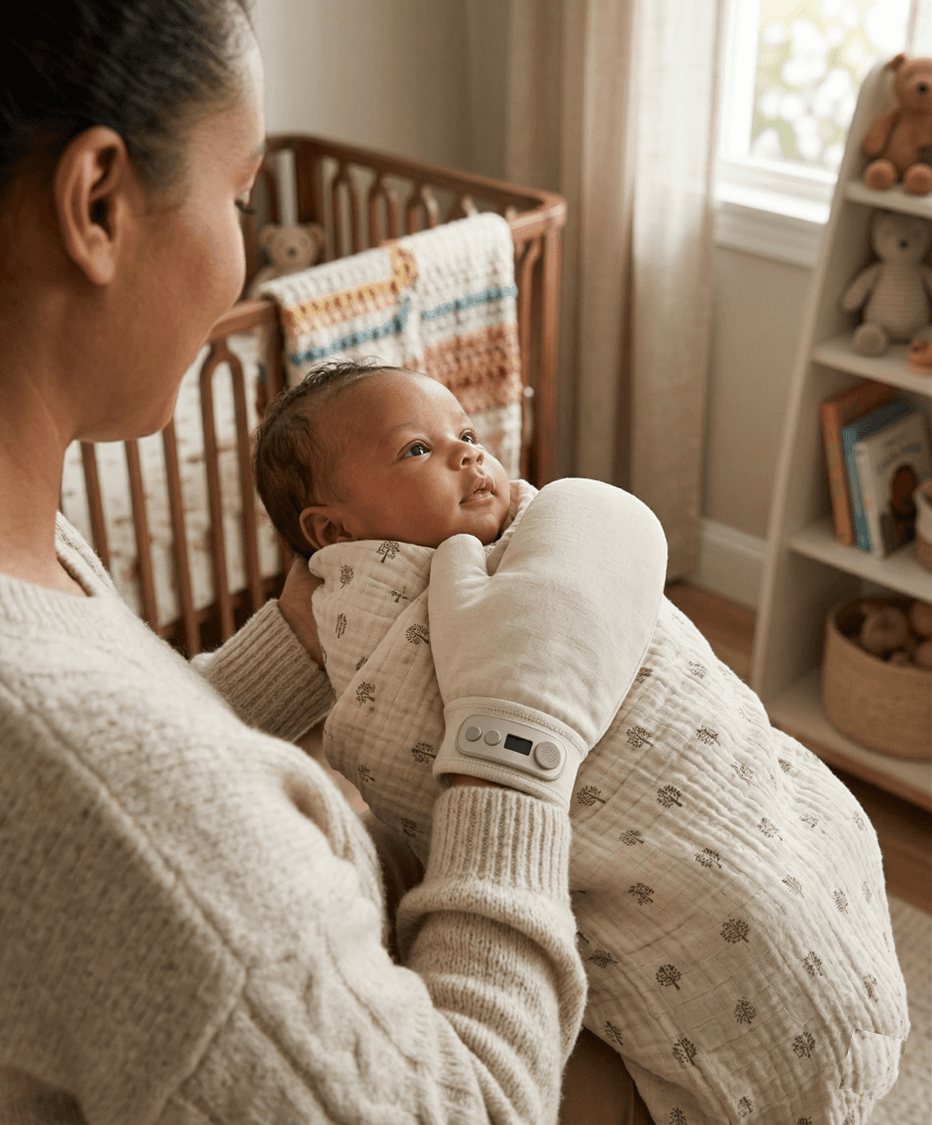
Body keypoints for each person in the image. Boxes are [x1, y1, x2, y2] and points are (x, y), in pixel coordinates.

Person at [0, 4, 670, 1123]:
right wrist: (513, 753)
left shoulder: (34, 540)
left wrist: (292, 644)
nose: (245, 249)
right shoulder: (118, 794)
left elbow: (126, 740)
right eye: (242, 195)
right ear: (98, 202)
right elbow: (469, 1108)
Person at [253, 360, 912, 1125]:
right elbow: (398, 728)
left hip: (730, 795)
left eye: (465, 434)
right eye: (416, 451)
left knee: (769, 854)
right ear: (334, 532)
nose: (469, 453)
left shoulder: (542, 534)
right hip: (651, 869)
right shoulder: (370, 619)